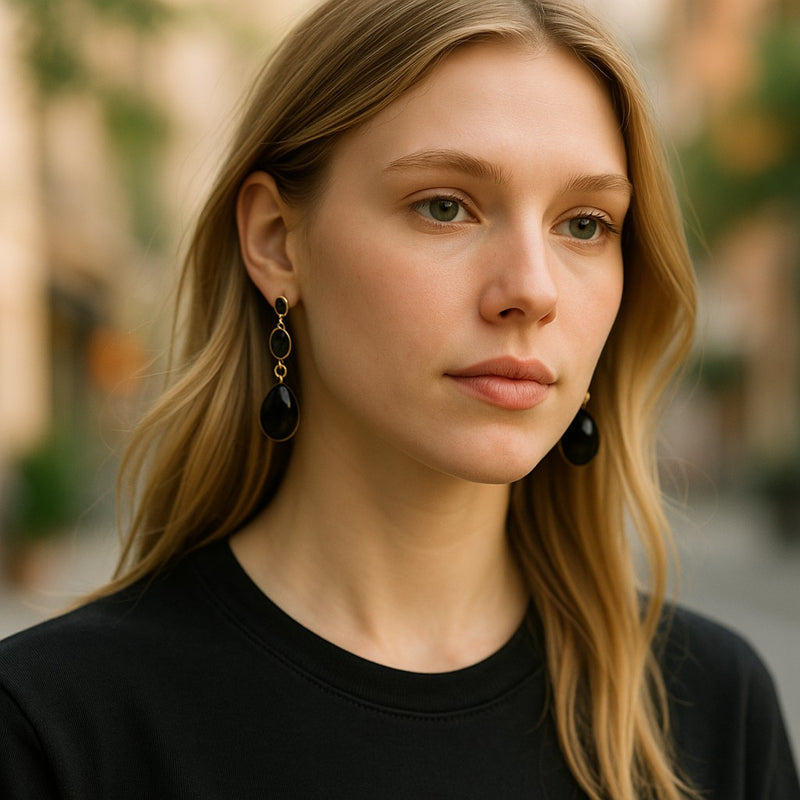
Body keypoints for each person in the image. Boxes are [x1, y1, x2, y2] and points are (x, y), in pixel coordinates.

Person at [1, 0, 798, 797]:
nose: (531, 289)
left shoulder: (711, 712)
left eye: (585, 224)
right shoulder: (54, 731)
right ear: (278, 241)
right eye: (445, 206)